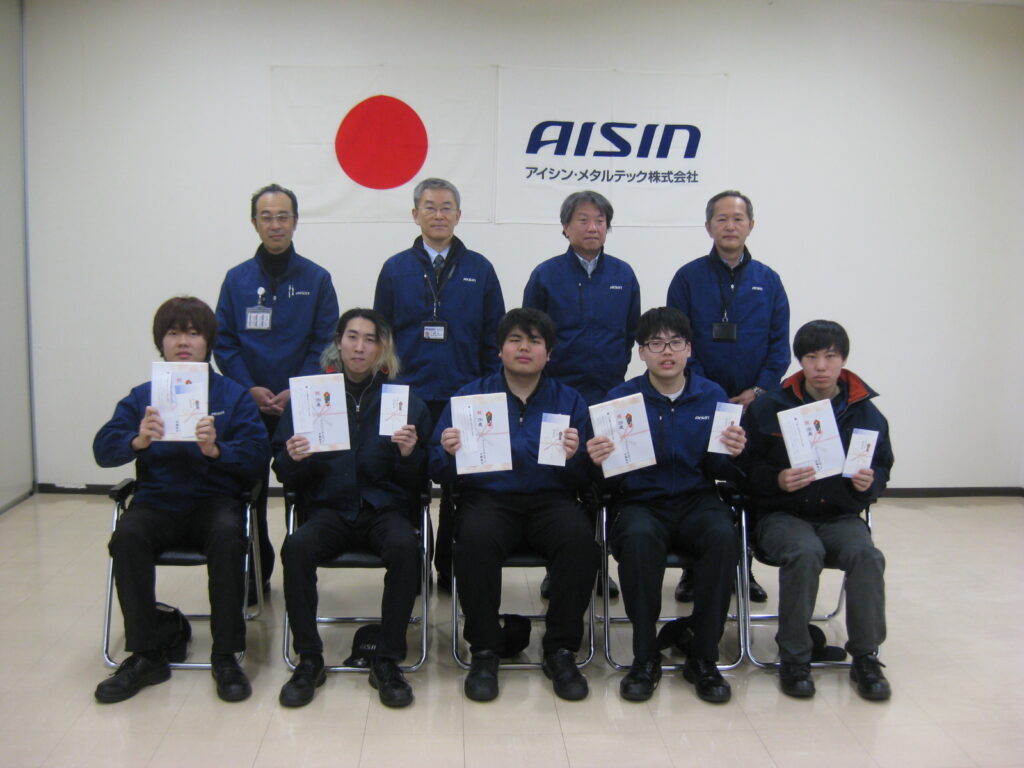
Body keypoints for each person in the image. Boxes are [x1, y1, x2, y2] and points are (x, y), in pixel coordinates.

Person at [93, 297, 270, 704]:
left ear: (208, 342)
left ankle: (226, 655)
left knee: (228, 537)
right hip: (158, 501)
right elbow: (102, 449)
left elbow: (258, 456)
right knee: (127, 537)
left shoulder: (232, 395)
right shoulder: (144, 396)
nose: (183, 342)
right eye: (174, 333)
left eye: (193, 333)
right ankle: (147, 654)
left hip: (215, 501)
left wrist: (217, 450)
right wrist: (137, 440)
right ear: (161, 342)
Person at [430, 308, 598, 702]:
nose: (524, 348)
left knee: (579, 541)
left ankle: (560, 650)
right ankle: (485, 650)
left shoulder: (569, 400)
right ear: (499, 349)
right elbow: (436, 469)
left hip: (552, 500)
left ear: (548, 353)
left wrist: (577, 457)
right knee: (474, 540)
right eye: (515, 340)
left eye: (534, 341)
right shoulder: (470, 397)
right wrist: (447, 452)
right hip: (489, 499)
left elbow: (588, 476)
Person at [273, 309, 431, 709]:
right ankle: (309, 659)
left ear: (382, 348)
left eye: (370, 339)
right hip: (329, 509)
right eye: (352, 337)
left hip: (384, 510)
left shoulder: (404, 401)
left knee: (406, 548)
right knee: (296, 547)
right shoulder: (310, 397)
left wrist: (410, 455)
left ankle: (387, 659)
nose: (360, 347)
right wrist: (294, 458)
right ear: (338, 343)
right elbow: (285, 473)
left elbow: (421, 479)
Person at [587, 307, 744, 703]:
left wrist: (733, 453)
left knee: (723, 536)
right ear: (641, 352)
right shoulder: (620, 400)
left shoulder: (712, 396)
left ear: (689, 349)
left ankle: (703, 657)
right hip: (641, 502)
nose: (667, 351)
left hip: (697, 500)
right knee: (638, 540)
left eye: (675, 342)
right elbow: (606, 481)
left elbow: (718, 470)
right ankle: (645, 657)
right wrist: (598, 460)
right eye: (655, 344)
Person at [742, 320, 893, 700]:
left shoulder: (866, 413)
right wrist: (776, 479)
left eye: (830, 356)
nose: (821, 366)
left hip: (839, 516)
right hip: (782, 515)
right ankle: (795, 658)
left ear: (843, 359)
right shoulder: (769, 407)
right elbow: (742, 467)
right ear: (800, 361)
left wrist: (871, 483)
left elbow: (882, 465)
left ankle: (866, 656)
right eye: (811, 357)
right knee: (804, 552)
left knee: (867, 555)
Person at [374, 178, 505, 588]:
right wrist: (387, 391)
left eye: (447, 207)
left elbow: (494, 337)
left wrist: (488, 392)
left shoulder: (480, 269)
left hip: (464, 393)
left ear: (459, 216)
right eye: (429, 207)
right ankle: (410, 567)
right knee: (406, 480)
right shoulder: (394, 269)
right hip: (407, 394)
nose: (438, 214)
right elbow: (382, 337)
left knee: (459, 486)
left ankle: (450, 567)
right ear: (415, 214)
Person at [214, 183, 339, 599]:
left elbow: (326, 343)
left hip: (299, 405)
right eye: (266, 217)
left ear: (295, 222)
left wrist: (293, 389)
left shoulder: (317, 279)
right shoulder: (236, 280)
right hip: (246, 405)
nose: (275, 225)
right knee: (245, 493)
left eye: (283, 216)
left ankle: (301, 576)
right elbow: (224, 342)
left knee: (301, 490)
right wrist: (246, 388)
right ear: (254, 223)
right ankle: (254, 571)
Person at [666, 190, 789, 604]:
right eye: (721, 219)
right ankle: (692, 571)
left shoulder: (769, 281)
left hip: (755, 405)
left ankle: (743, 566)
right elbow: (677, 341)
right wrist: (710, 393)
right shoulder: (687, 278)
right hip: (699, 401)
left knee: (747, 482)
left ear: (751, 225)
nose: (730, 226)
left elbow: (779, 347)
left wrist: (758, 392)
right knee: (698, 479)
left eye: (738, 218)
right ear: (708, 227)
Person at [522, 189, 639, 601]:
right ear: (566, 227)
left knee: (602, 482)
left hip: (606, 395)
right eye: (583, 220)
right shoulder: (546, 274)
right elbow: (531, 332)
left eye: (600, 221)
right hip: (556, 396)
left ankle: (598, 566)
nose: (592, 227)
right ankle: (557, 567)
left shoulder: (623, 274)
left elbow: (630, 333)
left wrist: (614, 370)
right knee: (558, 479)